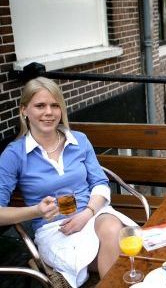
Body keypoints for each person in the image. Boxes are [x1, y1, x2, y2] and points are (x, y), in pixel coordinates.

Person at [0, 77, 136, 287]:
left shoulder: (79, 140)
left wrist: (87, 213)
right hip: (55, 229)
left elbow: (100, 183)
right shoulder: (14, 154)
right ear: (24, 110)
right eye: (40, 106)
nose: (49, 112)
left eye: (55, 105)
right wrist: (36, 211)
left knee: (111, 227)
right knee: (122, 254)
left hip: (92, 214)